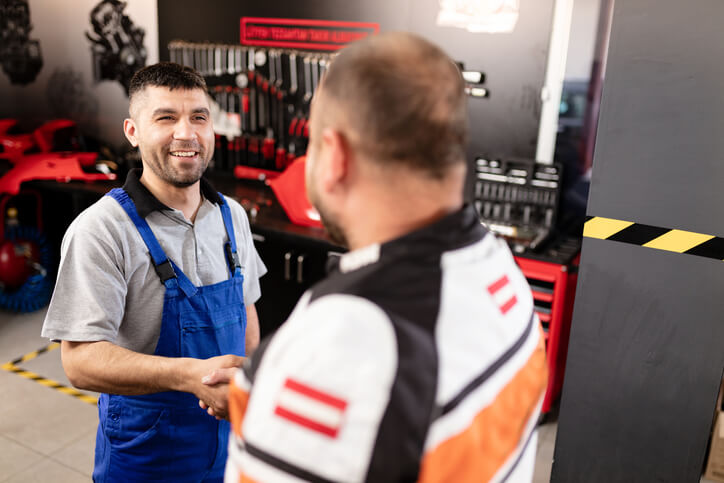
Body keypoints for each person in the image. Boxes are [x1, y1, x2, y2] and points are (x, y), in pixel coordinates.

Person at [220, 32, 548, 482]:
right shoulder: (499, 269)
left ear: (334, 156)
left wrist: (266, 396)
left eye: (312, 141)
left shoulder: (344, 339)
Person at [41, 62, 266, 482]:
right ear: (133, 131)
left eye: (198, 117)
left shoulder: (232, 216)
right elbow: (79, 362)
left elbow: (246, 309)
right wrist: (190, 376)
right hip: (147, 455)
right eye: (165, 117)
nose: (186, 133)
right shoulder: (101, 230)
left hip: (229, 446)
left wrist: (248, 380)